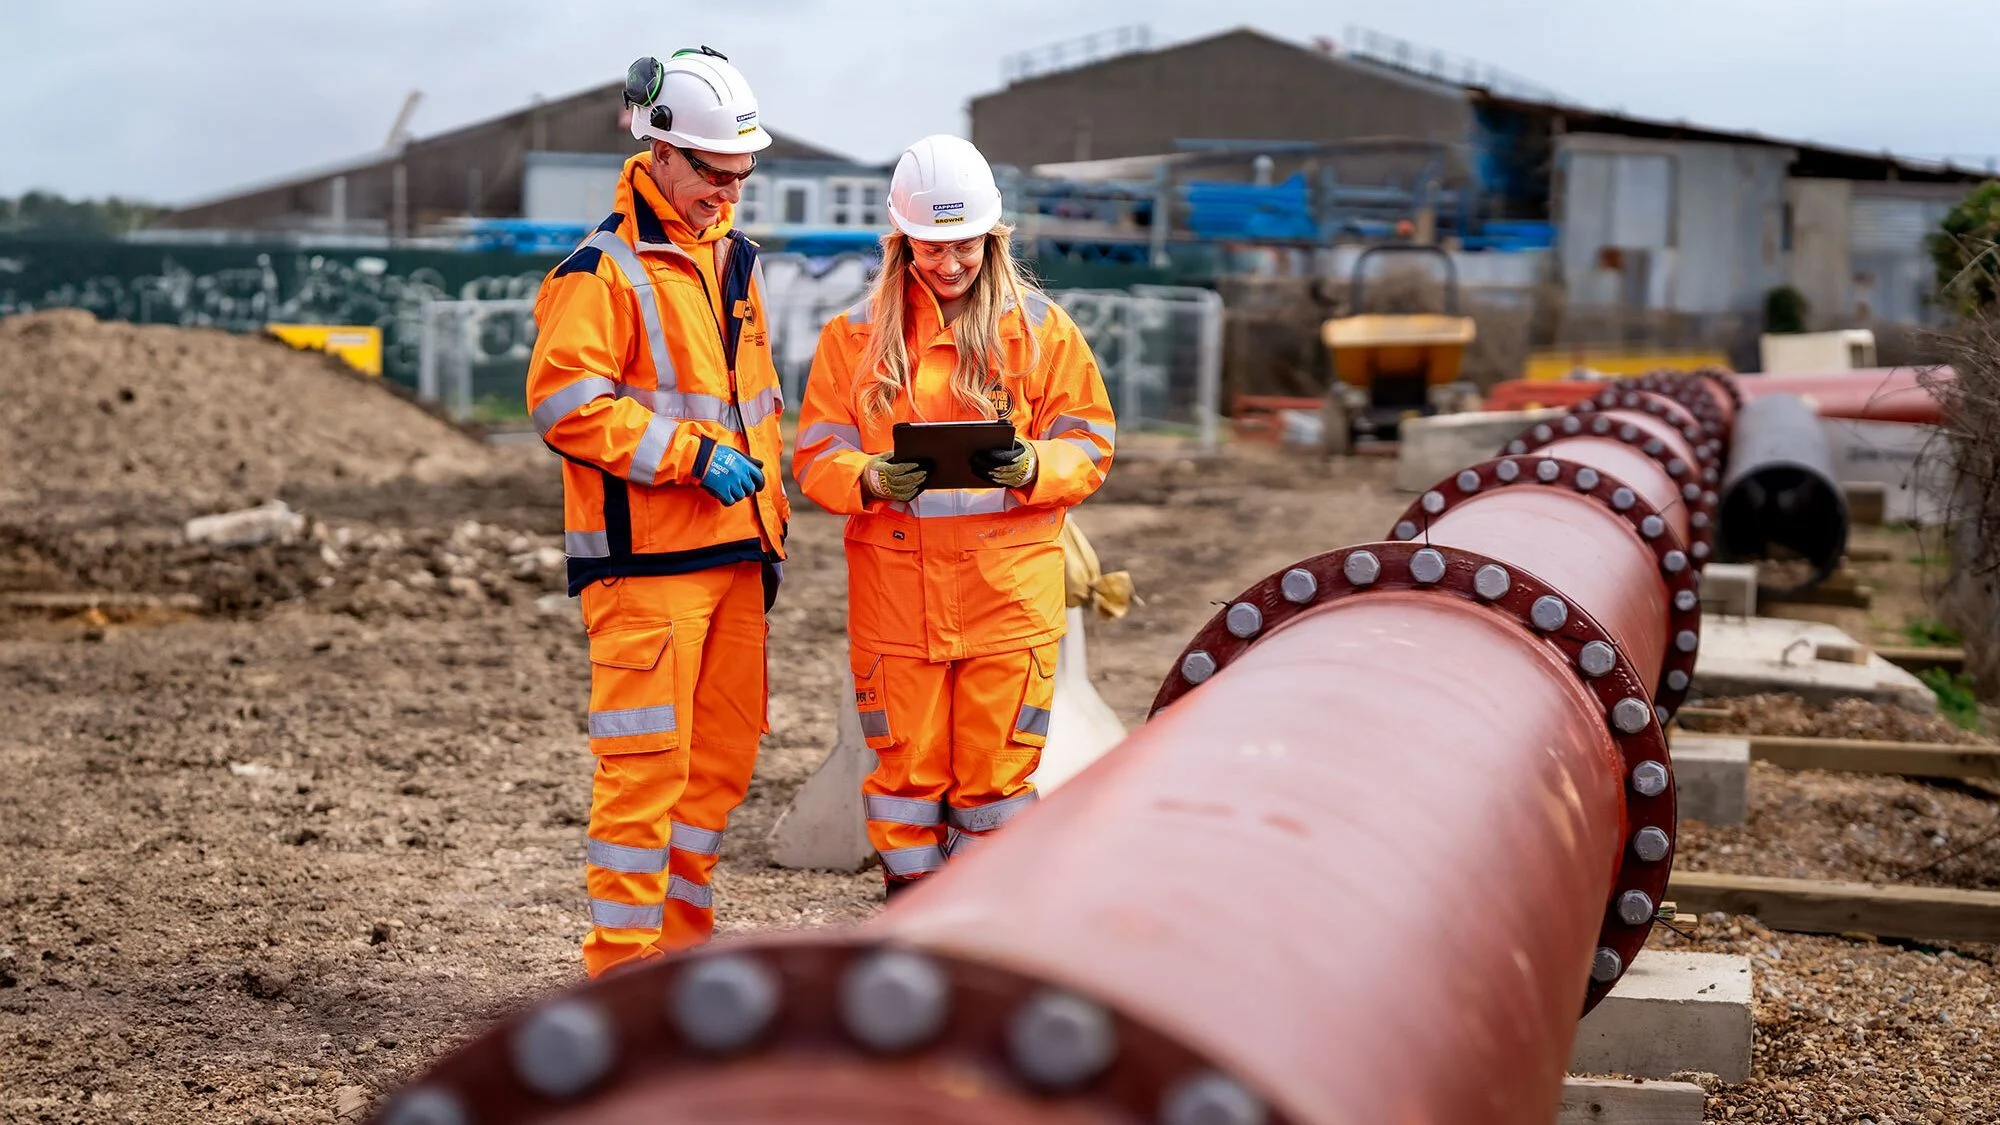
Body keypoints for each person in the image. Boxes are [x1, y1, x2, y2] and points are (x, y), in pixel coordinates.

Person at [523, 46, 789, 978]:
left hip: (735, 558)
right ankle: (621, 983)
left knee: (712, 784)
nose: (729, 193)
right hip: (648, 571)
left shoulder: (730, 262)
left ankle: (677, 973)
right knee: (644, 785)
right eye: (715, 175)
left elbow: (751, 408)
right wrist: (689, 457)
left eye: (742, 177)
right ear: (660, 151)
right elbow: (564, 404)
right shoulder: (600, 271)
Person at [792, 134, 1116, 898]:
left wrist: (1037, 464)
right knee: (906, 776)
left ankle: (979, 916)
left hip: (1008, 603)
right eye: (931, 246)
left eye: (963, 245)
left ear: (992, 240)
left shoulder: (1042, 331)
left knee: (997, 779)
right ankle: (910, 908)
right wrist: (867, 477)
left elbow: (1092, 440)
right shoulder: (855, 340)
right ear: (901, 243)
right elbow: (814, 456)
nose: (948, 263)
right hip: (898, 605)